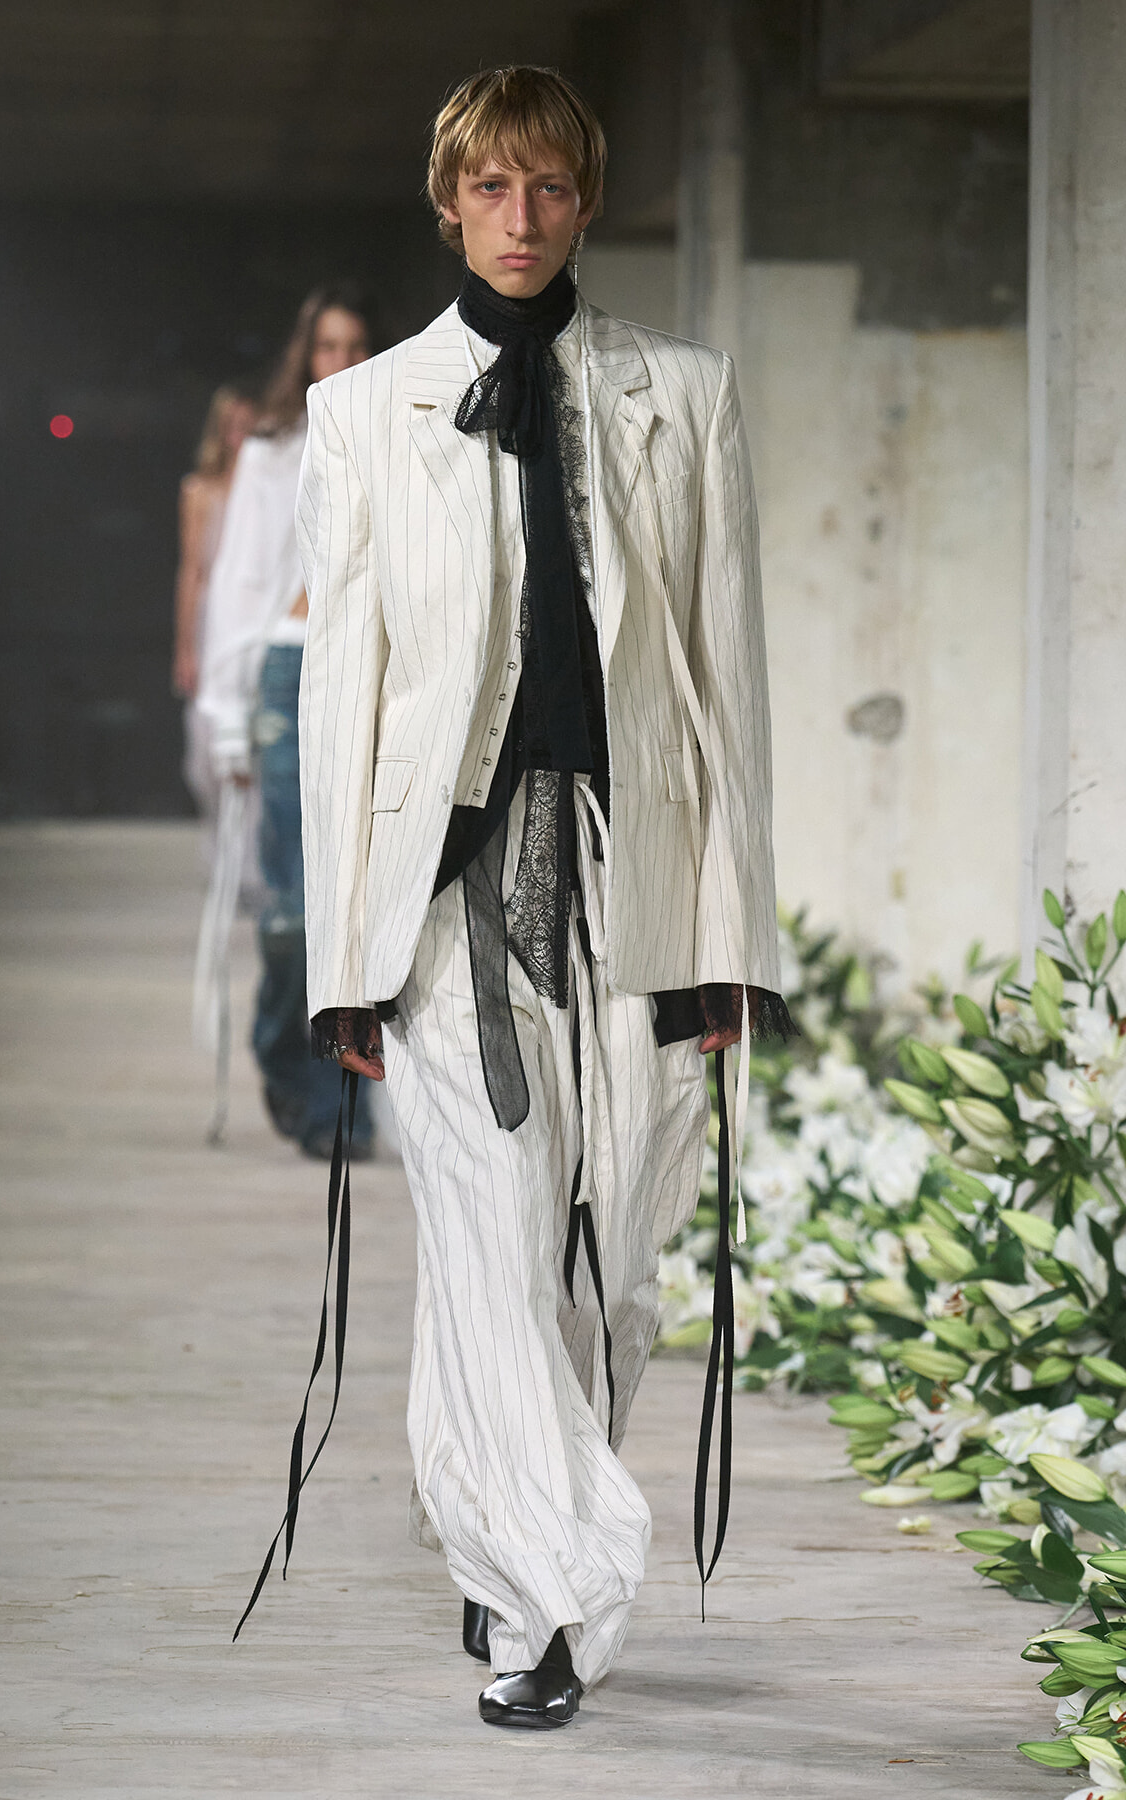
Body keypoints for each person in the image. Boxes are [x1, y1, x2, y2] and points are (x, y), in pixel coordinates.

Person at [295, 66, 792, 1725]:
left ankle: (506, 1537)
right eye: (491, 189)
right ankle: (546, 1605)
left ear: (585, 200)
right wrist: (344, 958)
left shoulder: (682, 396)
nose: (520, 219)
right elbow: (344, 704)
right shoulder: (366, 414)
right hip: (445, 915)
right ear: (449, 199)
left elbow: (728, 686)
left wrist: (732, 936)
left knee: (618, 1270)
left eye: (551, 190)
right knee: (495, 1248)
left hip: (629, 884)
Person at [197, 290, 378, 1160]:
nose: (338, 363)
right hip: (285, 668)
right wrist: (224, 716)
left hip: (368, 677)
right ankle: (283, 1045)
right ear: (305, 356)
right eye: (325, 347)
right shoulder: (273, 451)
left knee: (355, 900)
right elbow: (237, 580)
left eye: (355, 346)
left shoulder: (401, 436)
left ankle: (343, 1105)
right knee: (293, 907)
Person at [171, 385, 256, 814]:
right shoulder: (200, 490)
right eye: (231, 426)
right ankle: (223, 853)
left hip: (257, 618)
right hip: (213, 622)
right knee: (206, 745)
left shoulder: (273, 488)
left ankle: (256, 871)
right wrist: (185, 648)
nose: (239, 435)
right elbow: (192, 571)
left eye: (248, 424)